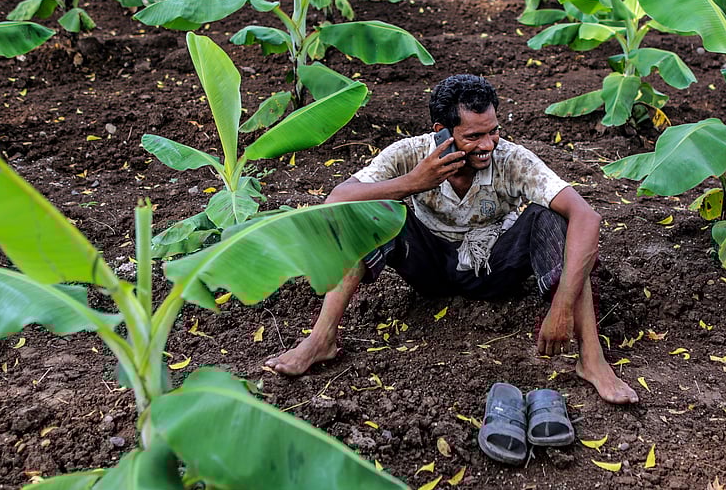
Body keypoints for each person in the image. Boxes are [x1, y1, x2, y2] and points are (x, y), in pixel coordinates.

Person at [265, 74, 638, 405]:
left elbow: (587, 216)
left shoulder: (512, 159)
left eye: (493, 131)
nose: (488, 144)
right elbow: (335, 200)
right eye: (474, 136)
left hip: (493, 266)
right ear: (442, 131)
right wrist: (413, 183)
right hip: (427, 265)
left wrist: (561, 305)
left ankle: (592, 359)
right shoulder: (410, 154)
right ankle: (322, 338)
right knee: (369, 210)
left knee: (556, 220)